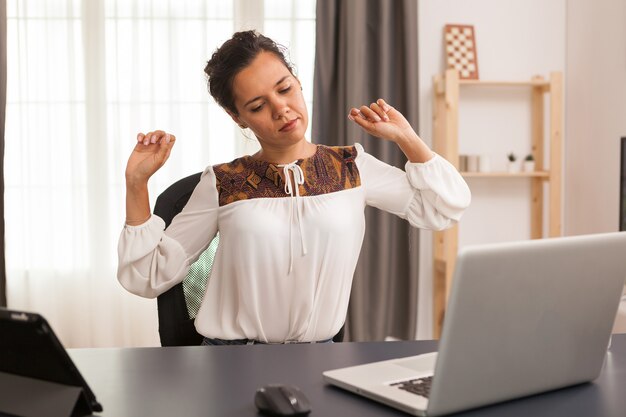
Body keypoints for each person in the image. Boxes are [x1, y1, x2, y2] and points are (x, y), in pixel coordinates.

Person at [118, 30, 471, 345]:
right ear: (238, 117)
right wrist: (136, 184)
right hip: (229, 363)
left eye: (285, 88)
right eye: (258, 106)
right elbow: (148, 275)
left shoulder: (352, 167)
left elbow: (443, 209)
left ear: (298, 82)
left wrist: (406, 137)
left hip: (319, 359)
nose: (281, 109)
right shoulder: (222, 182)